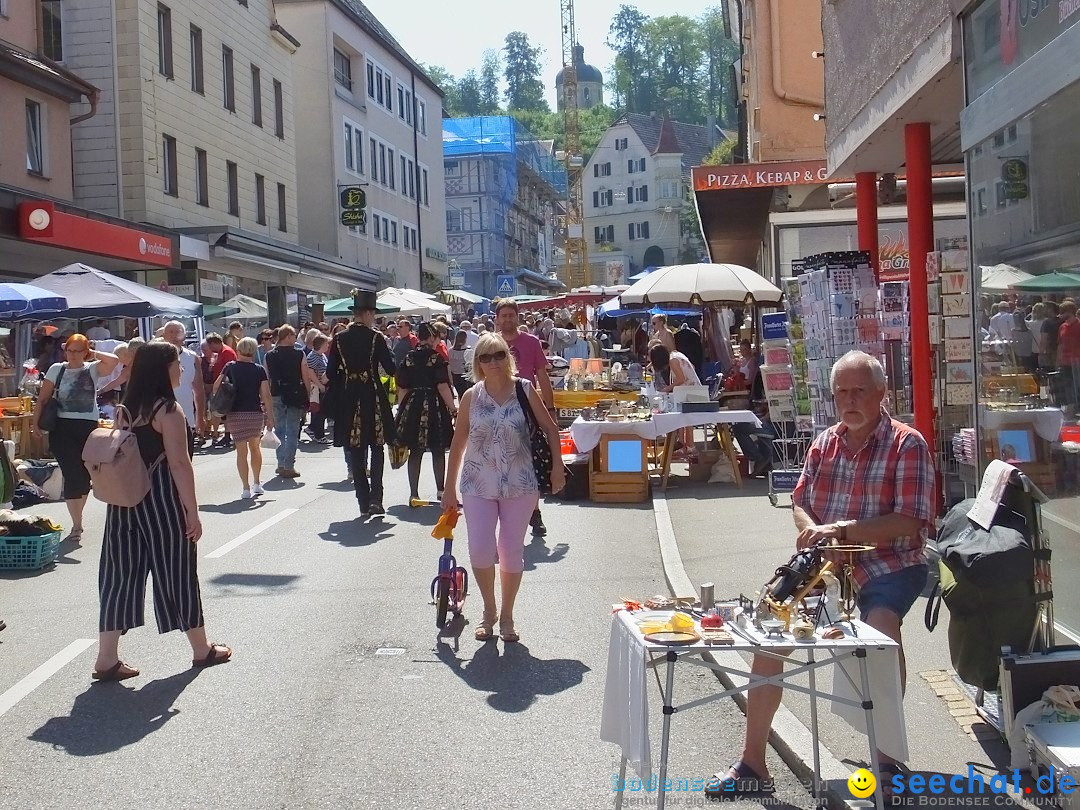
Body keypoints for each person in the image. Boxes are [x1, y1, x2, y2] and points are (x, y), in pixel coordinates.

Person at [705, 350, 933, 798]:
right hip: (826, 565)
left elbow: (911, 520)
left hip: (888, 561)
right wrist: (810, 528)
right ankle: (752, 763)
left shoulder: (908, 443)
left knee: (881, 633)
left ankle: (886, 758)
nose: (849, 400)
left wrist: (841, 529)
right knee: (770, 635)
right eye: (842, 392)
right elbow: (799, 500)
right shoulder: (825, 442)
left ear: (881, 393)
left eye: (859, 391)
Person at [92, 341, 231, 682]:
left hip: (124, 501)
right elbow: (180, 464)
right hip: (161, 500)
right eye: (177, 363)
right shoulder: (167, 410)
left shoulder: (126, 409)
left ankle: (106, 657)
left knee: (118, 575)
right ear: (163, 368)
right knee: (177, 570)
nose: (181, 369)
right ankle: (201, 649)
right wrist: (192, 511)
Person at [442, 333, 565, 643]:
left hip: (520, 483)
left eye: (498, 355)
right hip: (477, 483)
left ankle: (507, 614)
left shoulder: (524, 390)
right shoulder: (471, 395)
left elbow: (551, 429)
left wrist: (557, 468)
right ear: (477, 363)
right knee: (481, 549)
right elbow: (458, 443)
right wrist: (448, 488)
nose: (492, 362)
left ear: (507, 357)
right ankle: (489, 610)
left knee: (511, 552)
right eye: (485, 357)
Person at [32, 335, 120, 542]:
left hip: (87, 428)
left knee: (84, 476)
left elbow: (115, 361)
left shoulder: (92, 368)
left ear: (85, 352)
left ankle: (78, 519)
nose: (73, 355)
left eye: (78, 350)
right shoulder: (57, 369)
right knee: (72, 473)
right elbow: (43, 398)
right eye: (70, 350)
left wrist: (93, 351)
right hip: (61, 427)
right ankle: (77, 524)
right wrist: (35, 424)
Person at [327, 290, 397, 517]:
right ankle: (376, 498)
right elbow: (390, 368)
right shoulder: (376, 338)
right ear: (366, 313)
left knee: (355, 449)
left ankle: (362, 501)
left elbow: (330, 372)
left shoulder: (338, 339)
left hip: (348, 397)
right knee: (377, 447)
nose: (373, 318)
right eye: (373, 314)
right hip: (372, 396)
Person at [496, 299, 555, 537]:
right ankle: (506, 513)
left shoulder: (530, 342)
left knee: (529, 462)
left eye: (512, 315)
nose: (508, 319)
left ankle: (534, 511)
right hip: (497, 409)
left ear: (517, 317)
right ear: (497, 318)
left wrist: (549, 408)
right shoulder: (491, 344)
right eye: (504, 315)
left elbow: (542, 376)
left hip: (526, 407)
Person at [395, 322, 457, 507]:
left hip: (413, 404)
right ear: (431, 337)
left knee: (415, 449)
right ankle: (440, 490)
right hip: (433, 404)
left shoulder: (408, 358)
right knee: (438, 449)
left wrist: (401, 410)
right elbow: (442, 385)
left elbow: (402, 387)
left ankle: (413, 494)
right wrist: (453, 409)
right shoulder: (435, 358)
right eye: (437, 337)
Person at [213, 337, 274, 499]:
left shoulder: (230, 367)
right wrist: (270, 417)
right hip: (254, 412)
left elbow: (216, 386)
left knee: (241, 452)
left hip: (235, 413)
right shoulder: (259, 369)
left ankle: (246, 488)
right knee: (255, 449)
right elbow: (266, 395)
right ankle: (257, 483)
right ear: (253, 351)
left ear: (238, 350)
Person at [265, 325, 318, 478]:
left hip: (276, 394)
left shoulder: (269, 355)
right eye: (293, 335)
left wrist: (265, 397)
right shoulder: (298, 354)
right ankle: (289, 465)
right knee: (293, 431)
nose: (295, 338)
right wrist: (308, 394)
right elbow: (305, 376)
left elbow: (267, 378)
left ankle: (281, 463)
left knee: (280, 430)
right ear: (287, 336)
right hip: (294, 394)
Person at [162, 321, 205, 457]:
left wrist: (200, 417)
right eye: (171, 332)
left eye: (178, 331)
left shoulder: (192, 357)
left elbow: (198, 390)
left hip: (186, 418)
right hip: (162, 418)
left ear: (184, 335)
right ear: (164, 335)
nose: (175, 335)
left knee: (186, 458)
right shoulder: (156, 357)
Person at [205, 333, 237, 448]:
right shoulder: (219, 353)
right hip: (220, 387)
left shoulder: (226, 352)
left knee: (226, 412)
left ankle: (228, 436)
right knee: (223, 413)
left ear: (214, 343)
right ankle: (226, 436)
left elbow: (231, 370)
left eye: (210, 345)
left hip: (225, 388)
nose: (210, 348)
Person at [305, 334, 331, 443]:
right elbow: (309, 371)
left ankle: (312, 428)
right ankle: (319, 435)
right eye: (326, 343)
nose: (328, 345)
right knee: (320, 411)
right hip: (316, 388)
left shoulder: (321, 355)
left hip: (322, 386)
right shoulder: (313, 356)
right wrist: (320, 385)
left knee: (320, 411)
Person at [449, 330, 472, 398]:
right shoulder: (468, 350)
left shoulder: (451, 351)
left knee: (460, 394)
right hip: (466, 376)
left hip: (455, 376)